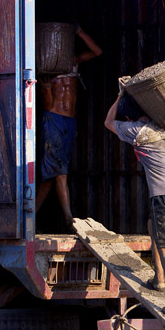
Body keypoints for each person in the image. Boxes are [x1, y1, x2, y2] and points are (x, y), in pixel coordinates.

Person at [104, 90, 165, 316]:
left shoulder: (135, 130)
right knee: (153, 227)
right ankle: (159, 278)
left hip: (163, 194)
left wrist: (119, 95)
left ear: (129, 117)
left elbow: (108, 122)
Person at [35, 25, 102, 230]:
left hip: (69, 122)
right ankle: (68, 218)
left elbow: (97, 52)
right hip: (54, 118)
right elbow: (45, 97)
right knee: (59, 173)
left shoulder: (72, 61)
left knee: (53, 175)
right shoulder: (47, 63)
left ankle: (32, 217)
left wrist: (79, 31)